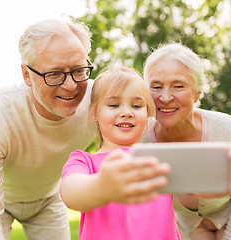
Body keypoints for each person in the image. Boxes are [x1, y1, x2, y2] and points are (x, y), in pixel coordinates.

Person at [0, 19, 96, 240]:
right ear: (26, 75)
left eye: (79, 70)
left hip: (48, 199)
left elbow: (148, 126)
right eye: (54, 74)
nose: (71, 85)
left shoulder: (98, 102)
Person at [142, 42, 231, 240]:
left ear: (198, 93)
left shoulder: (230, 129)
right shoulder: (139, 139)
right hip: (187, 224)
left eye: (178, 86)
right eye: (156, 86)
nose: (165, 97)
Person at [60, 66, 183, 240]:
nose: (126, 113)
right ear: (94, 112)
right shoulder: (83, 161)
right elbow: (71, 192)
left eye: (136, 105)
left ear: (147, 112)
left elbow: (197, 195)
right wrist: (102, 184)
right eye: (114, 105)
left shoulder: (160, 160)